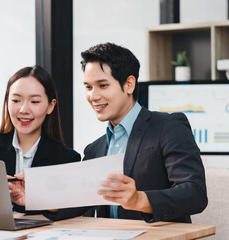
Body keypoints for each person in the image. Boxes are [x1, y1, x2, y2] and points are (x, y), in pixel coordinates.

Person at [46, 42, 208, 223]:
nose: (93, 96)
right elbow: (81, 201)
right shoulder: (94, 149)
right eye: (88, 87)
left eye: (103, 85)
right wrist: (37, 198)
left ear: (129, 84)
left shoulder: (169, 126)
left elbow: (195, 193)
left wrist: (140, 199)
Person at [0, 65, 81, 213]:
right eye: (16, 100)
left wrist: (38, 196)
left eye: (34, 102)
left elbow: (75, 211)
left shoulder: (66, 159)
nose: (23, 110)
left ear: (50, 106)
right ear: (7, 102)